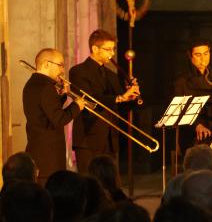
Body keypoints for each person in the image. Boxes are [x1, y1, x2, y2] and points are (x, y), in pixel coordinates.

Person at [70, 29, 140, 174]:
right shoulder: (78, 71)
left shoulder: (111, 74)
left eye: (113, 49)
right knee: (89, 184)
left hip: (110, 139)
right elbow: (89, 99)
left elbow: (119, 106)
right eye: (108, 49)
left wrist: (132, 97)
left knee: (110, 185)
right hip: (88, 138)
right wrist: (120, 97)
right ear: (95, 49)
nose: (112, 54)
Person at [23, 48, 85, 184]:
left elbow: (46, 112)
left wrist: (62, 96)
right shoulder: (46, 86)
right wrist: (77, 105)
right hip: (49, 157)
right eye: (60, 65)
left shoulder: (31, 84)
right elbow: (59, 119)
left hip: (37, 151)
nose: (62, 70)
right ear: (46, 64)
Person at [173, 39, 212, 155]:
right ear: (190, 55)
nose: (203, 59)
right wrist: (197, 125)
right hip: (193, 135)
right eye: (198, 55)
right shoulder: (181, 80)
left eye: (206, 54)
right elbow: (179, 110)